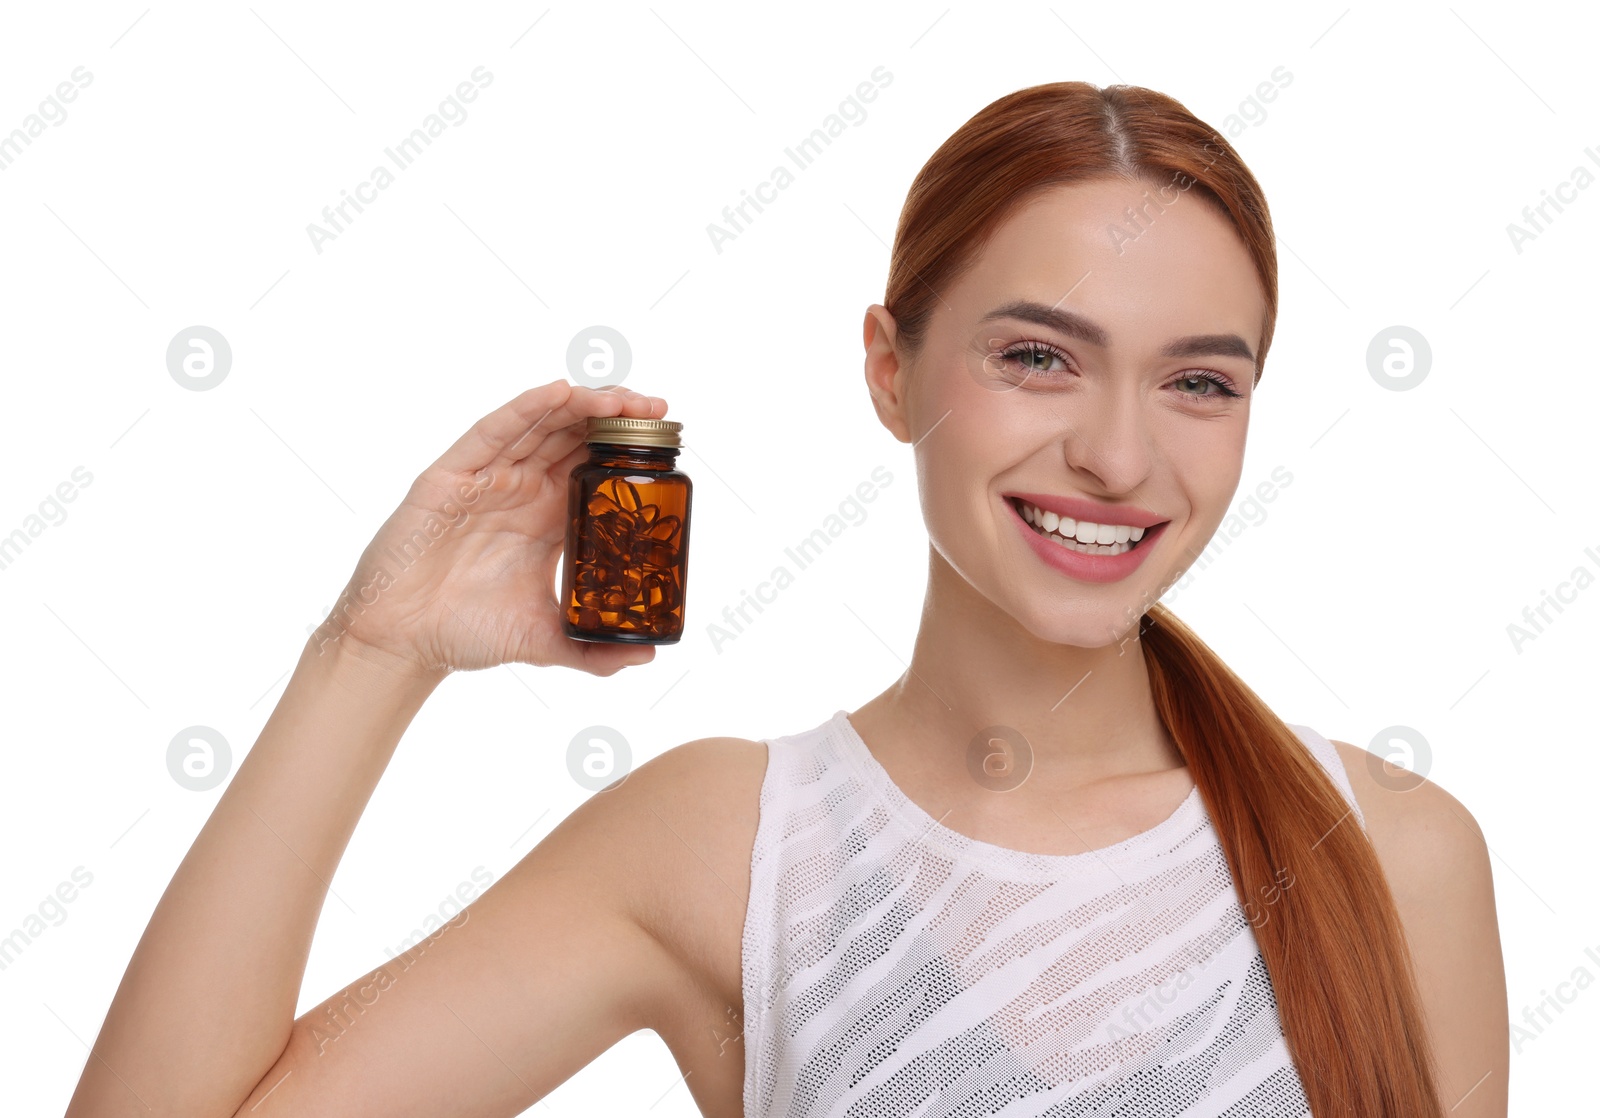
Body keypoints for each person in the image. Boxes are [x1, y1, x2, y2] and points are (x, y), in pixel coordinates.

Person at [65, 81, 1508, 1118]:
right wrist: (367, 651)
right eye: (1038, 358)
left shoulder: (1396, 853)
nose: (1121, 455)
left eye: (1199, 380)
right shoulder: (725, 847)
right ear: (890, 368)